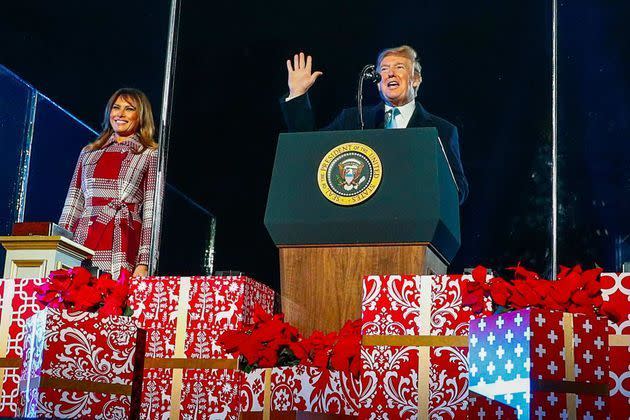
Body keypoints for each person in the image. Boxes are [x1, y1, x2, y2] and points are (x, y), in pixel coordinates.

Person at [280, 45, 469, 204]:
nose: (390, 74)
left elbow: (458, 191)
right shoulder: (352, 119)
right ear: (377, 83)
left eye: (399, 67)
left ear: (416, 79)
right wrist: (297, 95)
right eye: (384, 69)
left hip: (413, 229)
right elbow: (309, 150)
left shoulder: (441, 130)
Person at [59, 88, 159, 278]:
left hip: (123, 240)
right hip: (85, 238)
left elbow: (151, 214)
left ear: (141, 116)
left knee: (113, 303)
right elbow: (72, 205)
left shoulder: (149, 154)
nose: (120, 114)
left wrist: (144, 262)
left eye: (129, 109)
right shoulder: (88, 152)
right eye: (116, 107)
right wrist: (59, 250)